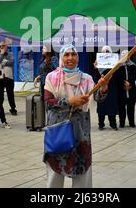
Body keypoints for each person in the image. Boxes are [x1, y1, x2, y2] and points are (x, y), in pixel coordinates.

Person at [43, 44, 109, 188]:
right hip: (58, 131)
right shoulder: (52, 77)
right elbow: (48, 102)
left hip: (80, 132)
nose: (70, 58)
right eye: (66, 55)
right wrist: (70, 101)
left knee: (83, 171)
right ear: (61, 58)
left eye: (73, 54)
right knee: (55, 170)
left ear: (78, 57)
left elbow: (98, 98)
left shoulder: (87, 78)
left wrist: (103, 88)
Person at [94, 45, 122, 130]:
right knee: (101, 105)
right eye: (104, 52)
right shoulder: (98, 64)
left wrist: (117, 66)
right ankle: (101, 124)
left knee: (112, 106)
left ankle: (113, 124)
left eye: (108, 52)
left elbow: (119, 76)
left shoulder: (114, 63)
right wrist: (96, 68)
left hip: (112, 87)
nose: (106, 53)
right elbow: (95, 77)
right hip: (101, 88)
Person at [0, 41, 17, 116]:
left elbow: (12, 62)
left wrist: (3, 63)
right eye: (0, 46)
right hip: (0, 78)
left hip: (9, 77)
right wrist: (2, 55)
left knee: (10, 94)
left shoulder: (11, 54)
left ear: (7, 46)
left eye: (3, 46)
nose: (2, 47)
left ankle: (13, 108)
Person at [118, 50, 136, 128]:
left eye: (128, 55)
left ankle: (131, 122)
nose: (126, 57)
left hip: (131, 89)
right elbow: (117, 77)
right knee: (121, 107)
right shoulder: (118, 66)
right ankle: (122, 123)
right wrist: (123, 83)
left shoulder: (132, 65)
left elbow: (134, 76)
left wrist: (129, 83)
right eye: (124, 55)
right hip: (121, 90)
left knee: (131, 107)